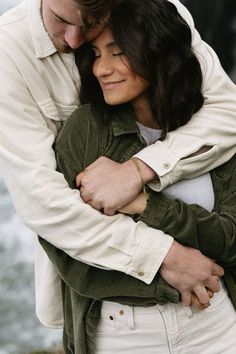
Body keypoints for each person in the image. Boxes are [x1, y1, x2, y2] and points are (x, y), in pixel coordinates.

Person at [0, 0, 235, 332]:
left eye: (93, 22)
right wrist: (164, 256)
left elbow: (227, 109)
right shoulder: (7, 51)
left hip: (212, 307)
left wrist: (139, 170)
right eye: (61, 20)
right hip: (109, 306)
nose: (74, 41)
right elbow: (41, 201)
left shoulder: (156, 12)